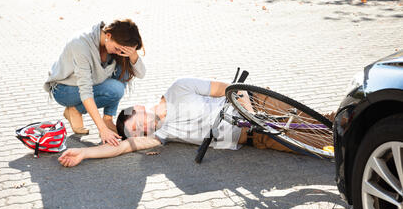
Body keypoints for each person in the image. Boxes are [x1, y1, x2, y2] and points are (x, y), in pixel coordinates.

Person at [58, 77, 325, 167]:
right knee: (323, 148)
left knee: (327, 124)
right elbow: (122, 148)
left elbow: (231, 88)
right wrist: (84, 152)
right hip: (258, 139)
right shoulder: (164, 134)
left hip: (259, 106)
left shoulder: (179, 88)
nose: (143, 130)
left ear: (138, 108)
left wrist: (249, 113)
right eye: (137, 132)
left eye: (137, 124)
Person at [44, 19, 146, 146]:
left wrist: (132, 55)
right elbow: (85, 89)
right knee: (115, 89)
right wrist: (102, 129)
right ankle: (76, 109)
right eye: (117, 48)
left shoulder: (112, 43)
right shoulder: (81, 44)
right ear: (108, 35)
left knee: (124, 69)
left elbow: (140, 74)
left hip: (89, 84)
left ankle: (107, 119)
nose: (119, 52)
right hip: (65, 89)